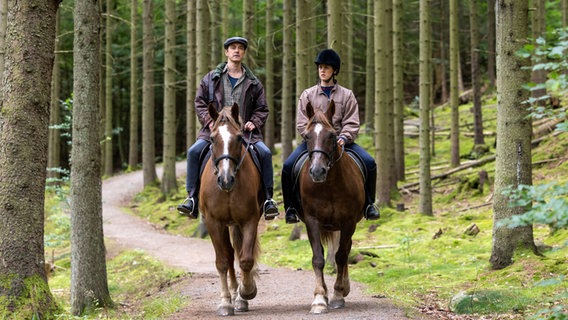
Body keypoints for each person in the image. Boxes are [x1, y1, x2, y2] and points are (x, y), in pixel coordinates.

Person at [177, 36, 279, 220]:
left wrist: (254, 122)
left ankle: (268, 200)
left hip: (244, 133)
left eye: (240, 48)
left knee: (265, 153)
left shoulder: (254, 83)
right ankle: (191, 199)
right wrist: (209, 121)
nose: (237, 50)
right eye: (233, 47)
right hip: (215, 131)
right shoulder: (210, 79)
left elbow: (262, 108)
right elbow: (199, 102)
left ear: (244, 53)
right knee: (193, 152)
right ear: (226, 52)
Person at [281, 48, 380, 224]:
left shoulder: (346, 95)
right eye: (320, 67)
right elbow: (302, 122)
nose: (322, 70)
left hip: (341, 143)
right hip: (314, 143)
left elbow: (352, 121)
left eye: (326, 67)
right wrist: (312, 137)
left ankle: (369, 204)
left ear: (335, 70)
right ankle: (291, 208)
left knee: (370, 163)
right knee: (288, 166)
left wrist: (344, 137)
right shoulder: (307, 95)